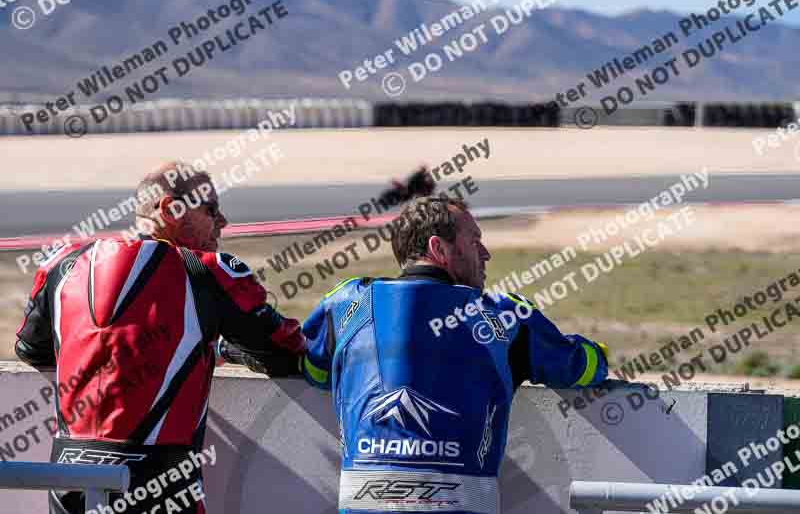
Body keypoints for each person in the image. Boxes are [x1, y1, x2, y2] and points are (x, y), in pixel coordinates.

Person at [15, 161, 306, 514]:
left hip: (68, 480)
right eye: (211, 209)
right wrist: (223, 348)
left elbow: (31, 349)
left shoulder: (63, 264)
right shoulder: (208, 270)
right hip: (158, 481)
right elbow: (285, 351)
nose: (223, 222)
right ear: (170, 209)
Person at [298, 195, 609, 514]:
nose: (485, 253)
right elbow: (581, 368)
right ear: (440, 249)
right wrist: (599, 353)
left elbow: (315, 370)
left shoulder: (345, 304)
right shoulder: (502, 316)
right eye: (475, 241)